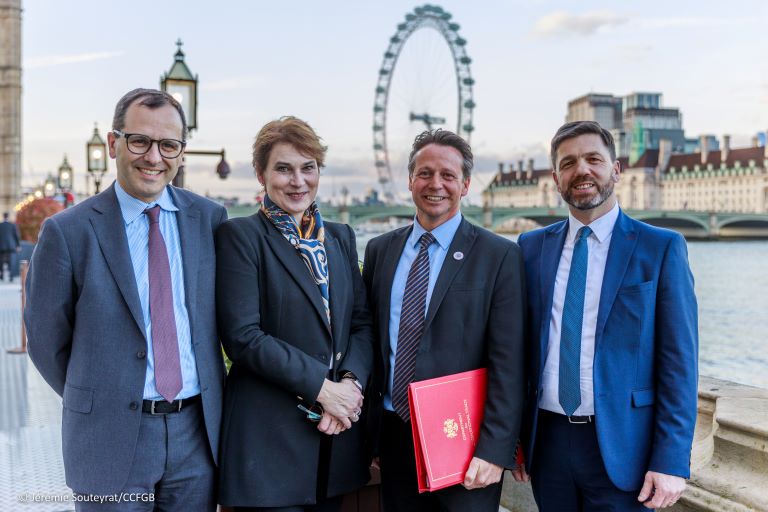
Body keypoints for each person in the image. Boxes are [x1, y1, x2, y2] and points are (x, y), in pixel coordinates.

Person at [25, 88, 227, 511]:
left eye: (168, 144)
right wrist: (103, 395)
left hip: (197, 436)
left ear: (182, 153)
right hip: (108, 438)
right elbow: (46, 339)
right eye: (140, 141)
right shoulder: (68, 232)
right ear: (114, 144)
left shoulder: (210, 220)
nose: (154, 157)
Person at [512, 121, 698, 510]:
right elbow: (516, 349)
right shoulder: (530, 248)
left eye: (594, 159)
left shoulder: (661, 248)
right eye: (569, 163)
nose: (582, 170)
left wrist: (671, 460)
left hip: (625, 447)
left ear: (616, 170)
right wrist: (512, 436)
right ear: (556, 178)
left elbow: (680, 363)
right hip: (546, 444)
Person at [362, 129, 526, 512]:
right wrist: (370, 439)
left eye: (448, 176)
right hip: (394, 435)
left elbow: (510, 362)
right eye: (425, 173)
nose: (435, 184)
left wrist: (495, 449)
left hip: (464, 442)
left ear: (465, 184)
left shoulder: (499, 255)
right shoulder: (379, 250)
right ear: (410, 180)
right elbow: (371, 343)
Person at [216, 116, 374, 511]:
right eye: (283, 169)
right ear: (261, 174)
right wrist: (324, 390)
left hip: (333, 443)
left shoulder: (339, 237)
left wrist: (351, 387)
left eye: (308, 168)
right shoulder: (242, 237)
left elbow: (360, 323)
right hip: (268, 446)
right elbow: (243, 337)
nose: (298, 181)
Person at [0, 211, 20, 281]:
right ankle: (11, 276)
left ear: (3, 216)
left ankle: (2, 275)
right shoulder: (12, 225)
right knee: (11, 261)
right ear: (8, 216)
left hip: (1, 246)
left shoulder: (0, 225)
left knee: (1, 261)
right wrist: (18, 245)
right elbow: (16, 236)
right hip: (11, 246)